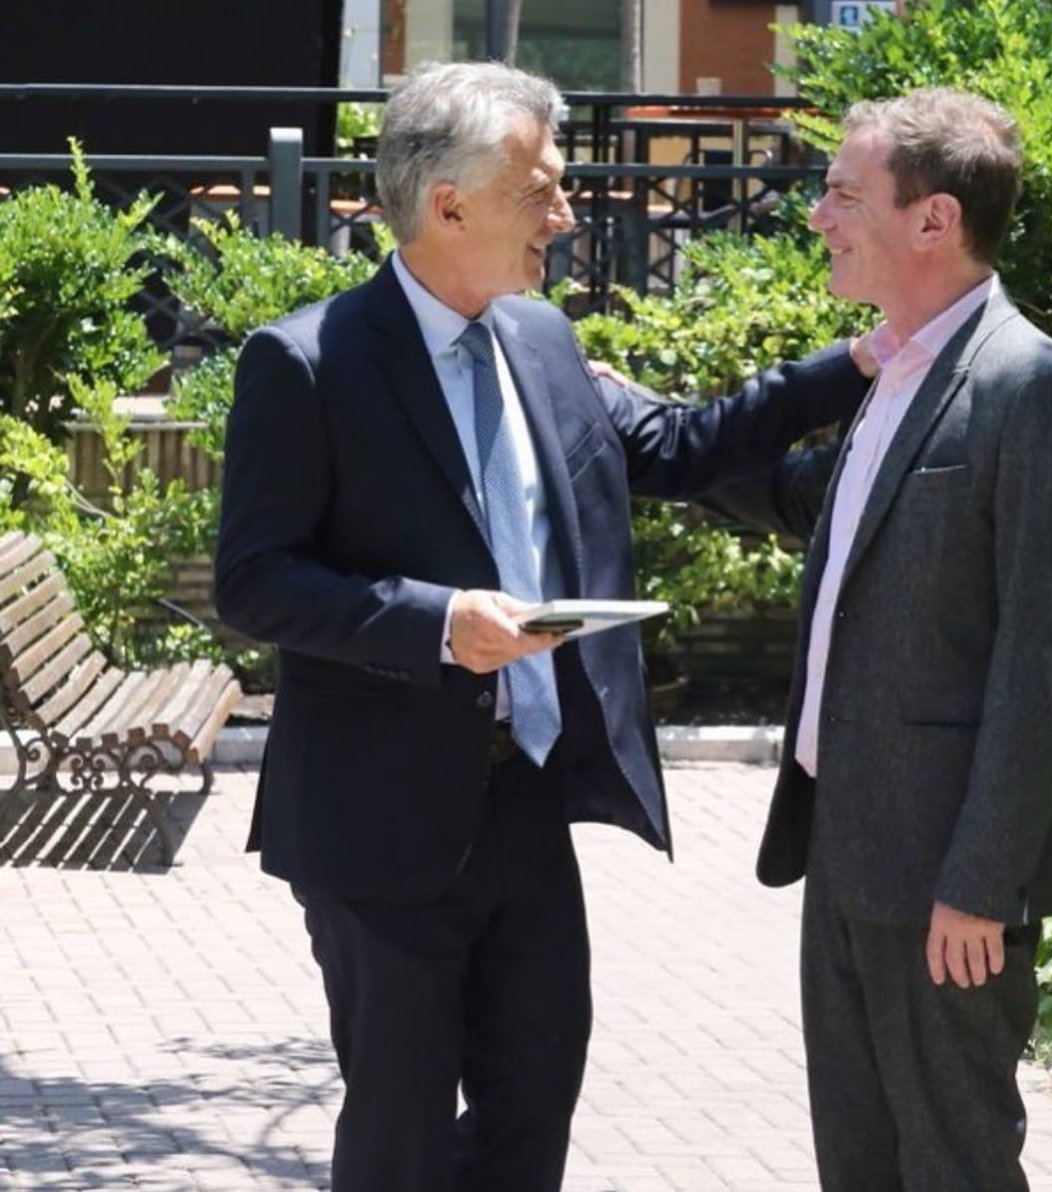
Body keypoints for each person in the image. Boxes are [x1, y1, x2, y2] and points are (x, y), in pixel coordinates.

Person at [214, 61, 869, 1192]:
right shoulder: (307, 362)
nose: (567, 216)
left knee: (533, 1108)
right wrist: (435, 622)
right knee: (403, 1135)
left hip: (524, 804)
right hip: (375, 821)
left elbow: (682, 446)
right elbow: (255, 582)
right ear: (449, 203)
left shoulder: (543, 342)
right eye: (543, 189)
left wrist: (856, 366)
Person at [750, 89, 1052, 1190]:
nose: (820, 217)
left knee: (951, 1167)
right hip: (848, 855)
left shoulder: (1032, 387)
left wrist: (978, 882)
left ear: (933, 221)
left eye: (844, 194)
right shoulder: (896, 370)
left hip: (947, 887)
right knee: (859, 1165)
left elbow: (1043, 665)